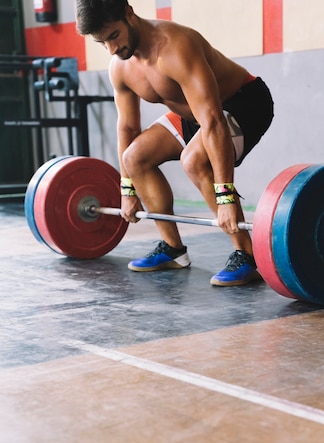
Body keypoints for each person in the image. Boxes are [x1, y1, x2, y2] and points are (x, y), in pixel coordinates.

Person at [75, 0, 274, 286]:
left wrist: (226, 197)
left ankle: (247, 254)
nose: (111, 49)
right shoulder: (120, 67)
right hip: (194, 113)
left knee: (194, 160)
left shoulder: (176, 46)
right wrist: (127, 189)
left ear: (129, 14)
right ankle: (173, 250)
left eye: (114, 36)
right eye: (101, 42)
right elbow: (128, 127)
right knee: (134, 158)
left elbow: (214, 121)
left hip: (244, 102)